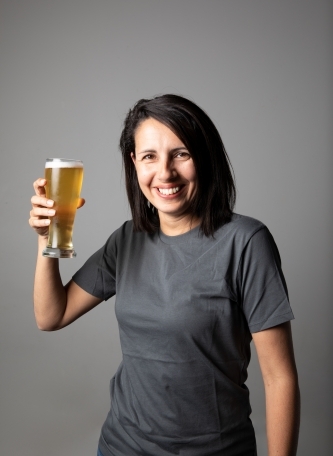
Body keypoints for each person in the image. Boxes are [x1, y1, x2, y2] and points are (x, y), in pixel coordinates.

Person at [29, 94, 300, 456]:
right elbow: (51, 315)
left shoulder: (246, 243)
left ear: (204, 157)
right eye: (149, 157)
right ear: (134, 163)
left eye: (181, 153)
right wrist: (47, 242)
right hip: (121, 447)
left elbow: (279, 378)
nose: (165, 173)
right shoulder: (126, 240)